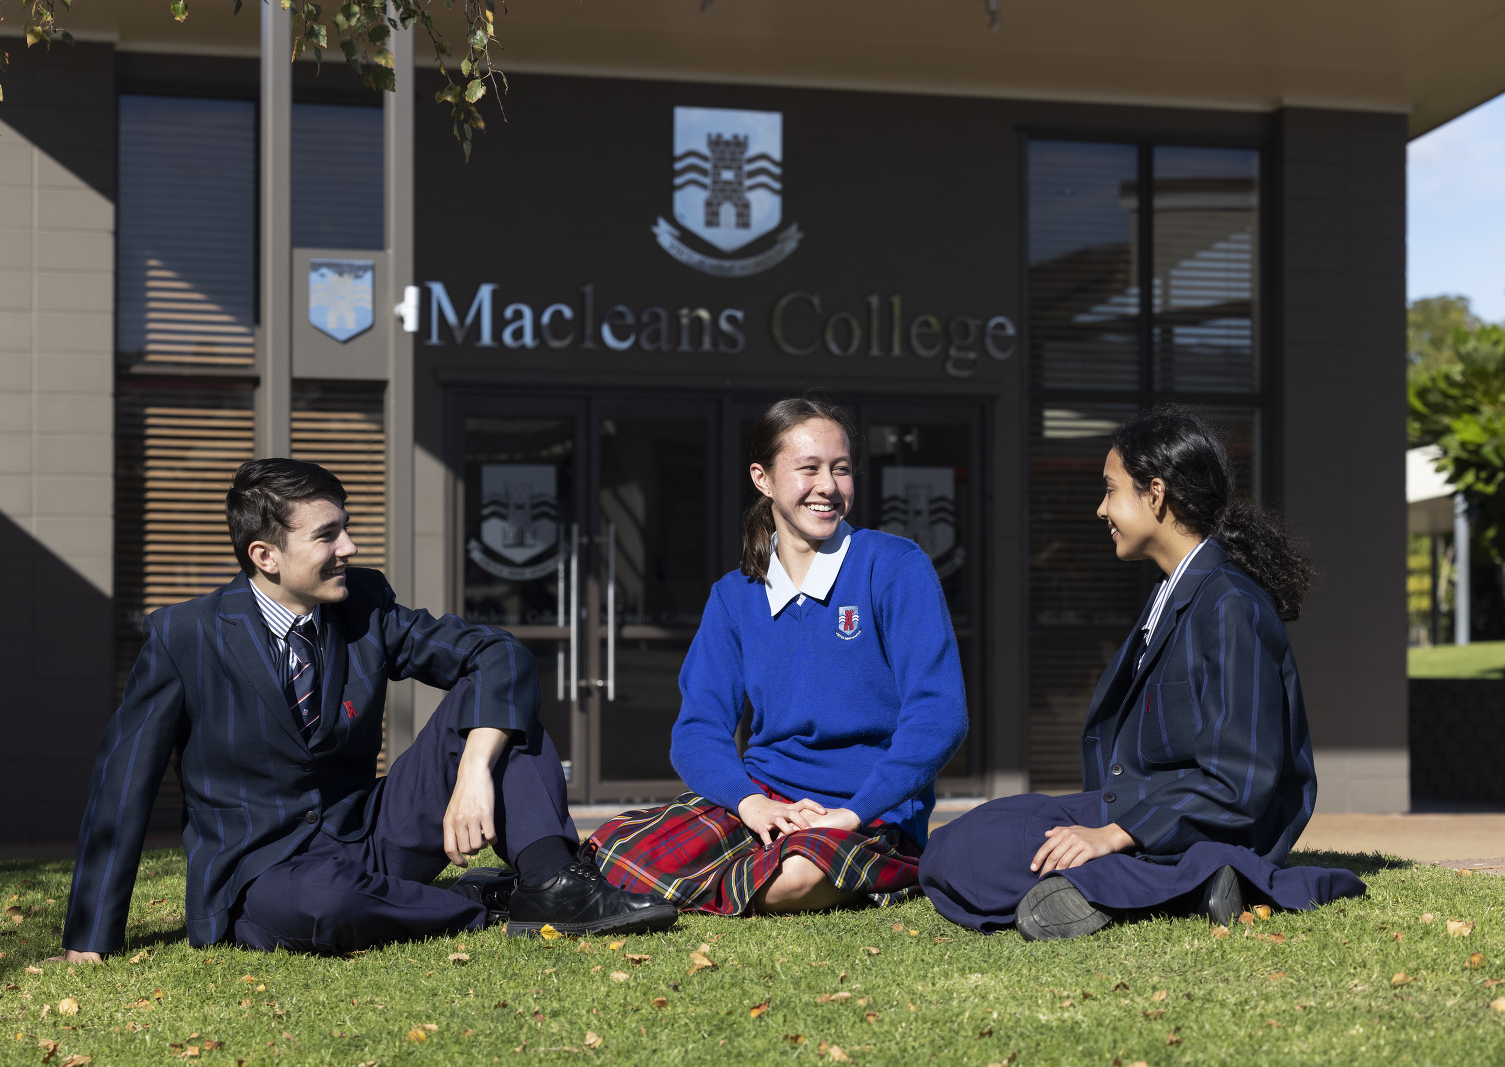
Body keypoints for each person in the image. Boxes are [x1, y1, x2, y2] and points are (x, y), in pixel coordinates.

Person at [61, 459, 675, 959]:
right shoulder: (184, 635)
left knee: (499, 703)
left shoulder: (365, 603)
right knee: (320, 903)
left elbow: (498, 654)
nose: (349, 547)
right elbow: (124, 785)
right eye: (327, 535)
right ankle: (485, 902)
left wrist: (473, 771)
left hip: (373, 833)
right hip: (262, 872)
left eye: (346, 528)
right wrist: (92, 935)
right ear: (265, 556)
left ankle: (551, 882)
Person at [920, 407, 1364, 940]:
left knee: (976, 854)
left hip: (1203, 822)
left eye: (1110, 490)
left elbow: (1241, 780)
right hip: (1137, 810)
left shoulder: (1231, 605)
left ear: (1155, 494)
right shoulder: (1172, 592)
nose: (1100, 508)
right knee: (956, 846)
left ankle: (1185, 875)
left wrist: (1117, 834)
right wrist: (1108, 827)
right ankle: (1173, 879)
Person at [583, 396, 968, 915]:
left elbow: (940, 716)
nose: (828, 486)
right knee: (612, 850)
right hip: (768, 799)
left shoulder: (896, 565)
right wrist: (750, 803)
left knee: (796, 878)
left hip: (871, 809)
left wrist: (853, 813)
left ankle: (716, 879)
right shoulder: (733, 595)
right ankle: (732, 869)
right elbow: (698, 729)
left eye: (841, 469)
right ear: (762, 479)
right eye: (809, 468)